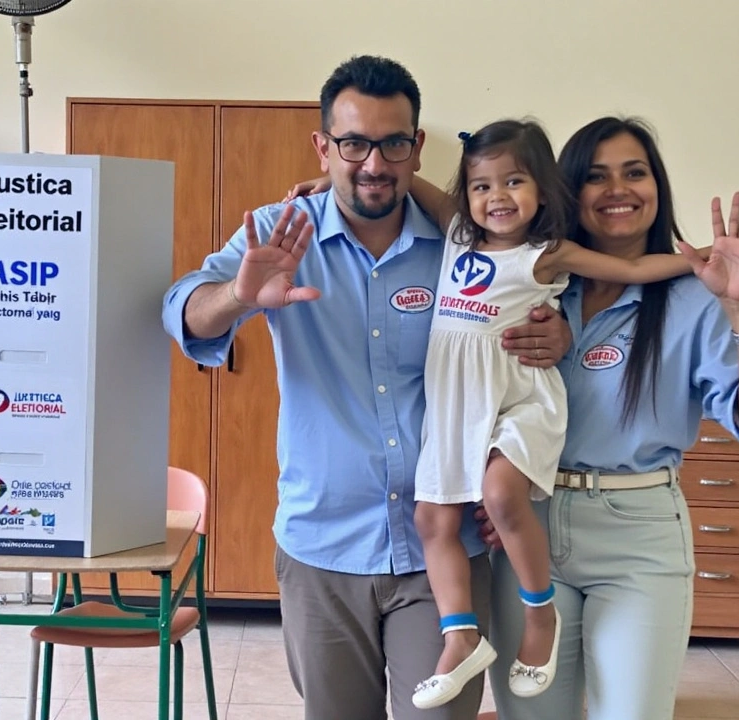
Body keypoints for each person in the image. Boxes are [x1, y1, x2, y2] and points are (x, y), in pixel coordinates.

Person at [160, 55, 572, 720]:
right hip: (323, 549)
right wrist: (237, 296)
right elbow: (182, 311)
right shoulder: (277, 234)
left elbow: (541, 314)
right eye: (353, 143)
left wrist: (559, 336)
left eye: (393, 143)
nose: (374, 164)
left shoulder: (466, 247)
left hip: (443, 548)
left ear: (417, 148)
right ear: (323, 146)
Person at [283, 118, 708, 710]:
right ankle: (460, 637)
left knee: (503, 497)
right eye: (483, 186)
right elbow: (398, 184)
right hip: (458, 409)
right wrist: (324, 181)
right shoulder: (456, 233)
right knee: (432, 520)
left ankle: (540, 620)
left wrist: (704, 263)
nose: (497, 197)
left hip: (518, 402)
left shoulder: (546, 255)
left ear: (542, 191)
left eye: (514, 182)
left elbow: (634, 270)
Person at [481, 117, 739, 720]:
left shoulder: (695, 295)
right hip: (532, 527)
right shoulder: (538, 282)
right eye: (595, 177)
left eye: (635, 172)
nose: (617, 189)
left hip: (638, 535)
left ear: (657, 186)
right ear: (565, 191)